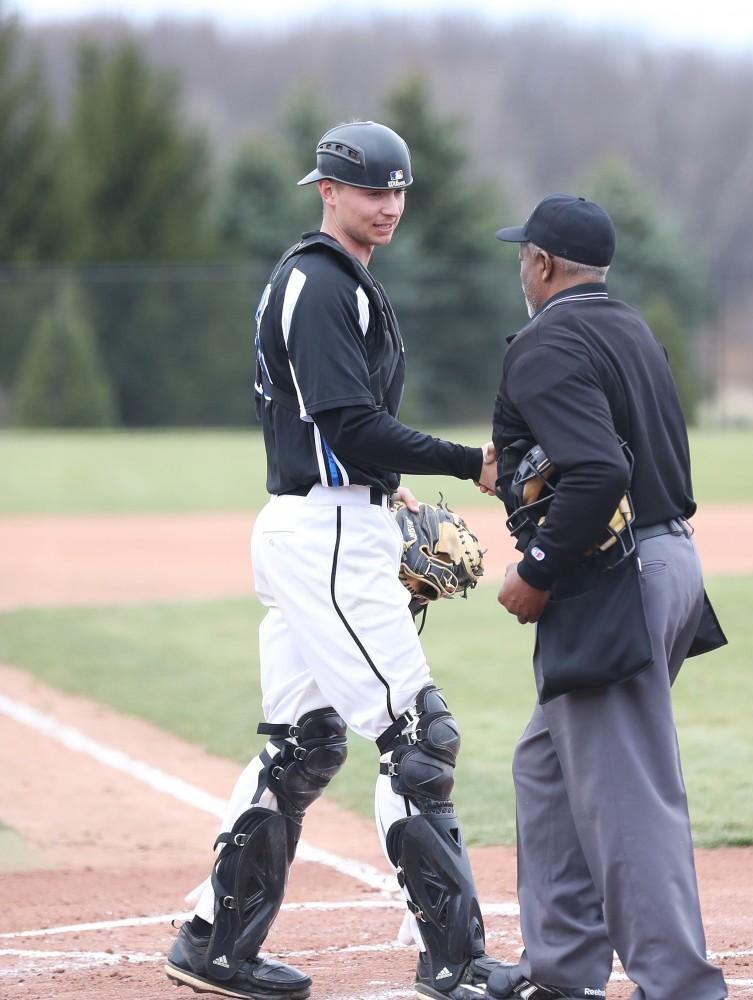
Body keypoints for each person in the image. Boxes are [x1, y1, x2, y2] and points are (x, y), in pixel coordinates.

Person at [164, 121, 502, 1000]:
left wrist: (387, 489)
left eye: (398, 190)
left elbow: (334, 434)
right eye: (369, 190)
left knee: (305, 745)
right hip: (327, 537)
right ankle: (456, 962)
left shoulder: (334, 280)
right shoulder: (319, 283)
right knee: (418, 738)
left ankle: (214, 942)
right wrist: (472, 464)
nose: (387, 205)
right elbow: (347, 425)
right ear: (328, 191)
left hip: (323, 523)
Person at [485, 194, 729, 1000]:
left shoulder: (547, 342)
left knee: (626, 796)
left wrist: (538, 569)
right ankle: (560, 973)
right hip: (665, 565)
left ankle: (680, 985)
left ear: (545, 265)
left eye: (526, 254)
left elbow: (599, 470)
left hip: (612, 578)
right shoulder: (629, 329)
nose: (521, 264)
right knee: (545, 767)